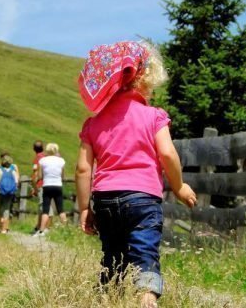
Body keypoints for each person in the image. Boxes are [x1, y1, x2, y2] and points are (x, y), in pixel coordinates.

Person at [75, 41, 197, 308]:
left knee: (113, 258)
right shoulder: (153, 116)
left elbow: (83, 168)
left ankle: (109, 299)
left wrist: (85, 208)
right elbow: (167, 154)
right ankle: (146, 300)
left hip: (105, 199)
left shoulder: (93, 123)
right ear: (146, 79)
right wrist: (179, 187)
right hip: (143, 199)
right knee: (145, 255)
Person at [35, 143, 68, 236]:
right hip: (58, 185)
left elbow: (40, 176)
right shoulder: (61, 161)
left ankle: (41, 230)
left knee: (45, 210)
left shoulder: (42, 160)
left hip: (47, 185)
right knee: (60, 209)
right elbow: (62, 175)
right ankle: (66, 230)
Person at [0, 152, 19, 233]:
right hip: (9, 193)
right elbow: (16, 181)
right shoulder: (13, 171)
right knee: (6, 209)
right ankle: (5, 229)